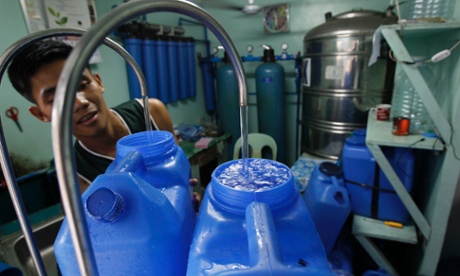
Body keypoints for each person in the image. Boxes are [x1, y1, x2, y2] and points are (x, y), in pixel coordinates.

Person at [7, 39, 178, 192]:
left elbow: (178, 168)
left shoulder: (151, 113)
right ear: (40, 114)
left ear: (98, 82)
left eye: (82, 85)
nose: (80, 102)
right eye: (56, 99)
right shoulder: (77, 176)